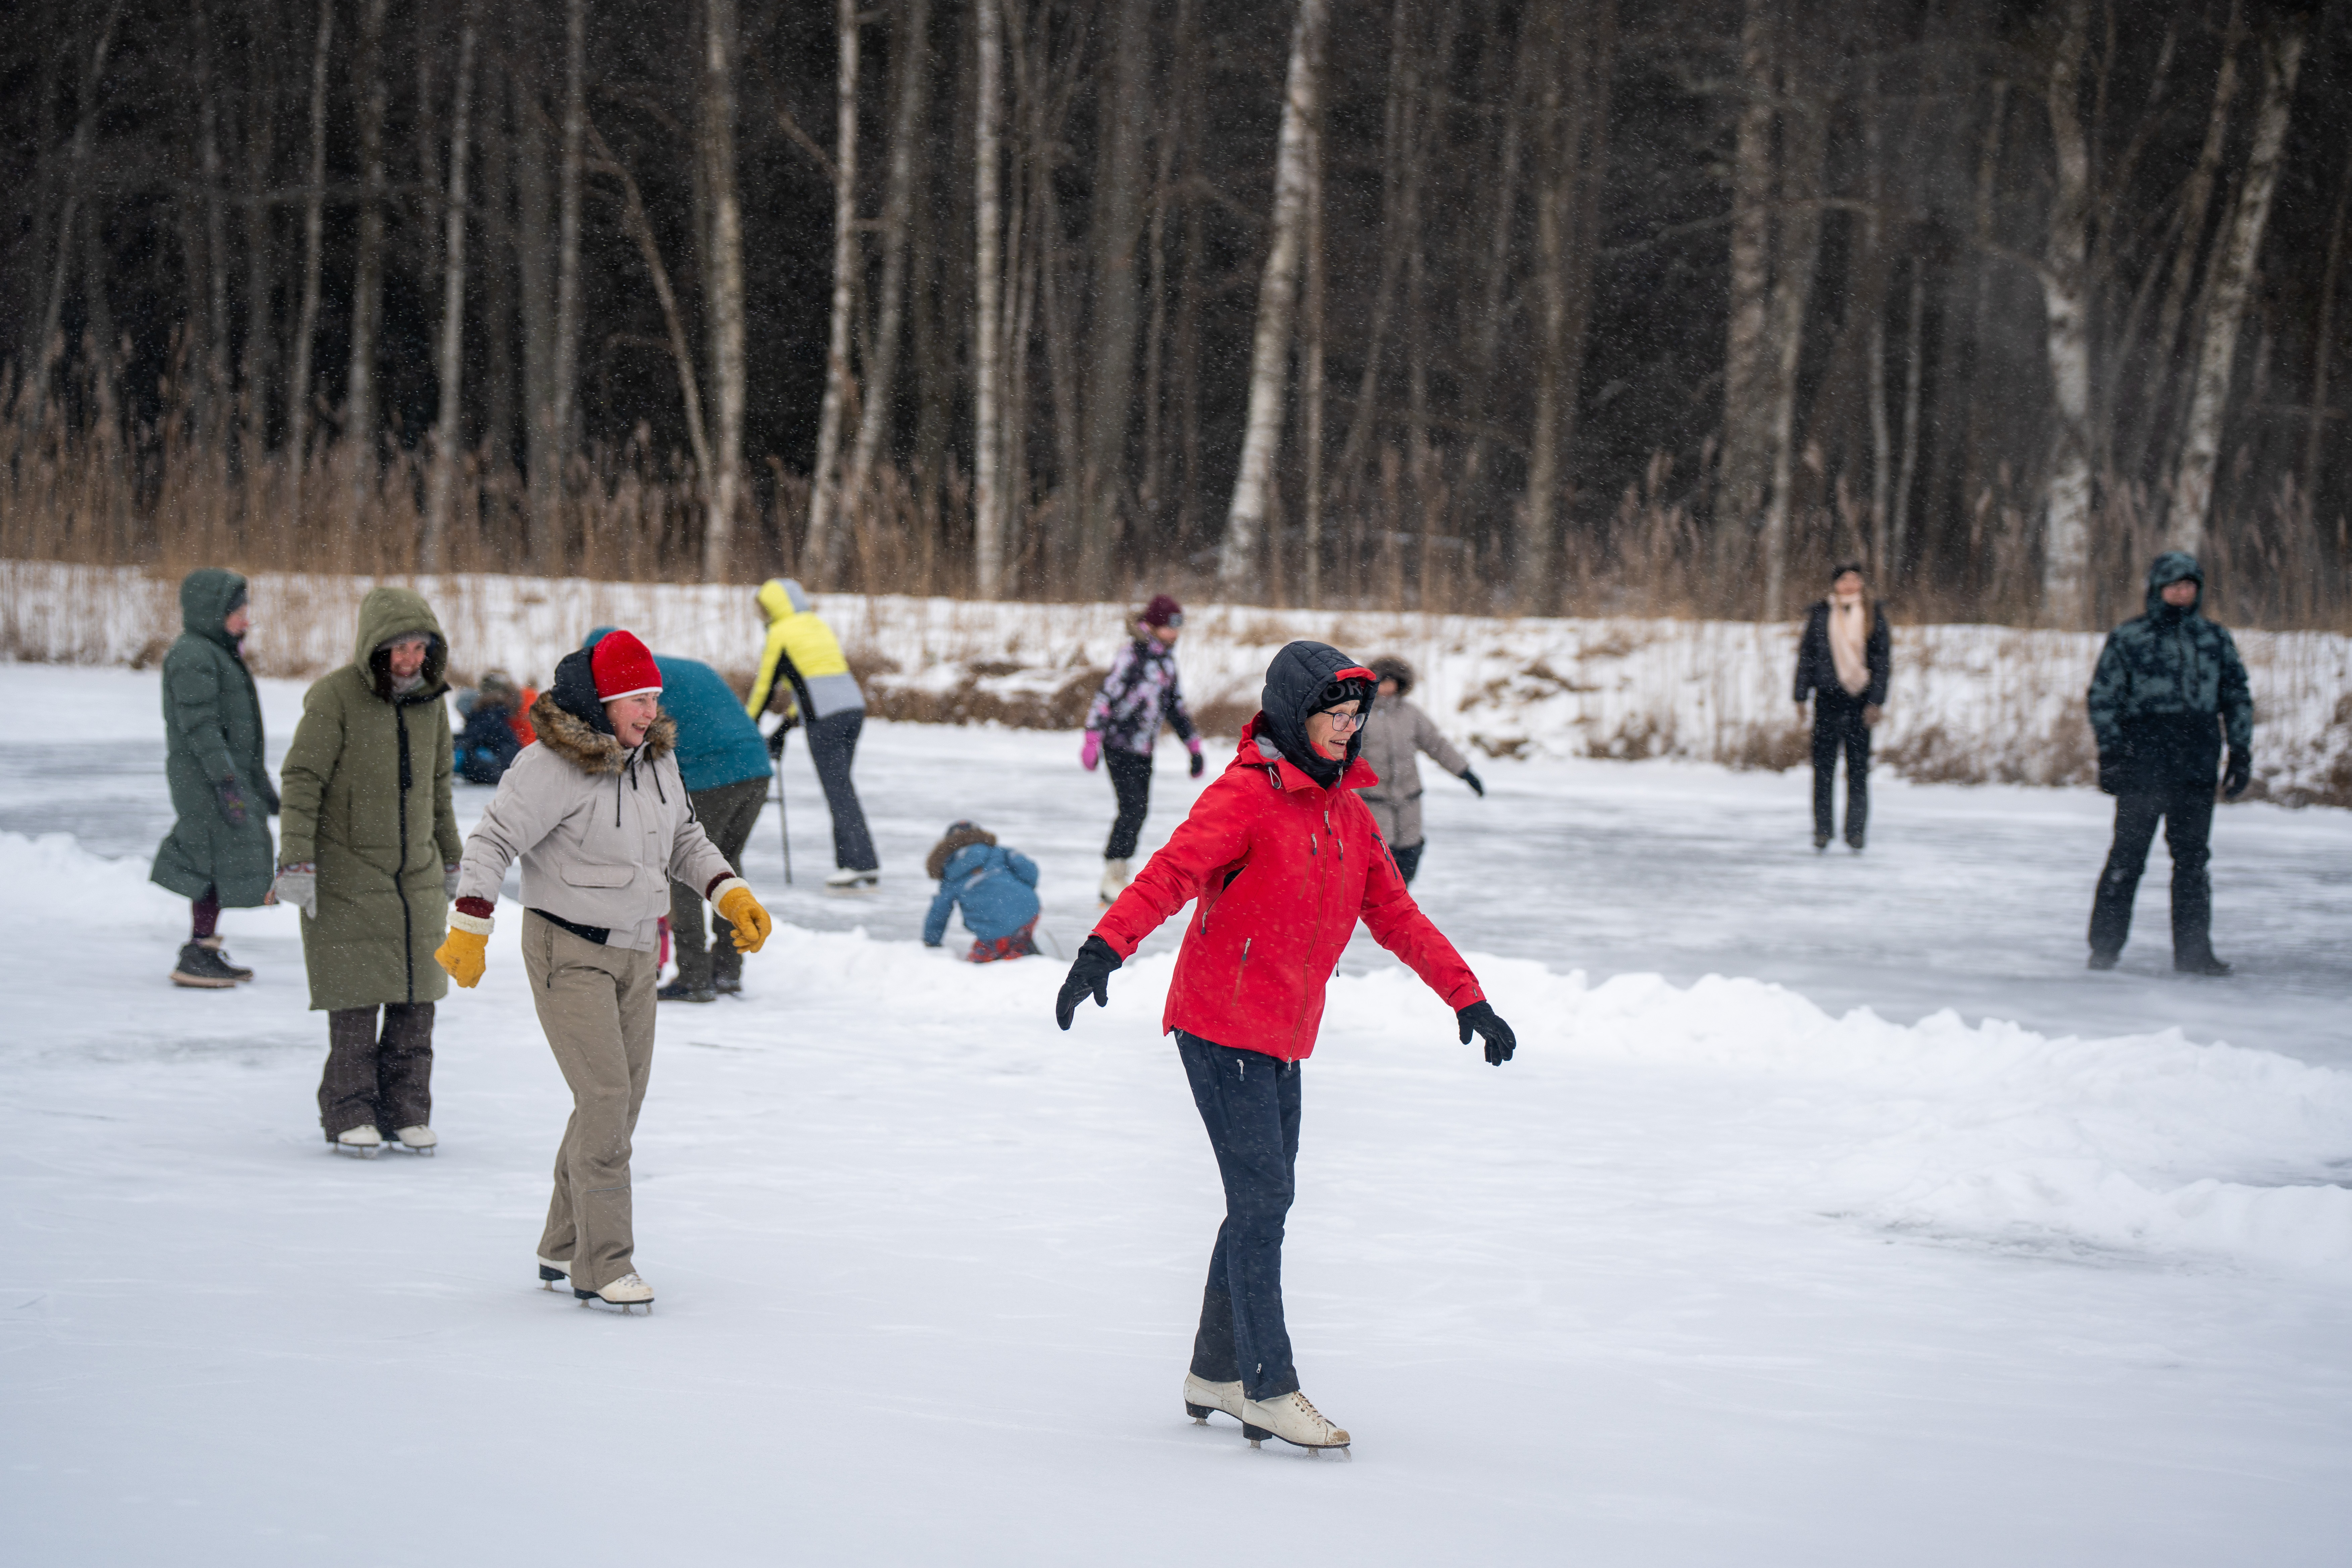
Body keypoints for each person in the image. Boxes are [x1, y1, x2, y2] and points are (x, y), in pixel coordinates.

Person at [1055, 641, 1519, 1453]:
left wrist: (1467, 996)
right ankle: (1267, 1385)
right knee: (1264, 1200)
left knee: (1261, 1200)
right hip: (1217, 1024)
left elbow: (1397, 915)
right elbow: (1168, 875)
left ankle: (1214, 1369)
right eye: (1333, 714)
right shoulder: (1245, 795)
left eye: (1355, 715)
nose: (1347, 728)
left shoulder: (1347, 812)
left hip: (1282, 1033)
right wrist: (1103, 949)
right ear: (1295, 713)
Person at [437, 630, 773, 1312]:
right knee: (605, 1098)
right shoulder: (550, 765)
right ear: (602, 702)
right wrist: (471, 922)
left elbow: (685, 837)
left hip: (636, 951)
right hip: (568, 948)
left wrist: (729, 891)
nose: (650, 711)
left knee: (620, 1102)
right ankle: (604, 1262)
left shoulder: (657, 761)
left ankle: (563, 1241)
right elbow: (493, 839)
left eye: (654, 698)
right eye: (636, 699)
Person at [274, 589, 464, 1158]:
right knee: (356, 1001)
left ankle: (407, 1111)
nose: (410, 660)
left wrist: (452, 857)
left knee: (417, 1003)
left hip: (416, 877)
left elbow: (439, 791)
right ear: (375, 648)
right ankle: (350, 1111)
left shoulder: (432, 704)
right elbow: (302, 780)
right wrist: (296, 859)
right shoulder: (334, 697)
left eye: (419, 649)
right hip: (348, 873)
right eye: (400, 648)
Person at [2085, 551, 2252, 976]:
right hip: (2144, 762)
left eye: (2189, 586)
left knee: (2193, 861)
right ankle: (2104, 949)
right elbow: (2103, 697)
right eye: (2174, 586)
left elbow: (2236, 696)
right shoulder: (2130, 637)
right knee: (2128, 857)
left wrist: (2241, 751)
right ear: (2158, 590)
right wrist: (2111, 752)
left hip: (2196, 762)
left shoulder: (2214, 639)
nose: (2182, 593)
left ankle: (2195, 954)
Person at [584, 628, 770, 1003]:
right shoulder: (682, 668)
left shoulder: (634, 683)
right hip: (756, 767)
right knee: (726, 864)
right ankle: (728, 970)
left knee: (682, 867)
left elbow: (632, 742)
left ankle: (694, 975)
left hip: (711, 773)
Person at [151, 568, 278, 988]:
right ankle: (196, 953)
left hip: (221, 775)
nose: (246, 620)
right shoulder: (194, 654)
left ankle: (203, 947)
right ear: (212, 612)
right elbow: (200, 724)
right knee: (210, 858)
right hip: (205, 780)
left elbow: (238, 731)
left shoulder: (215, 652)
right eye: (238, 613)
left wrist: (256, 781)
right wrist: (225, 780)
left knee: (221, 857)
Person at [746, 578, 878, 893]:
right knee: (842, 787)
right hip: (852, 710)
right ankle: (855, 863)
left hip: (827, 719)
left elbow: (765, 687)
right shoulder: (816, 625)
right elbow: (814, 684)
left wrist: (747, 724)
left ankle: (859, 864)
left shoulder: (780, 633)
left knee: (838, 789)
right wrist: (784, 727)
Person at [1080, 594, 1203, 905]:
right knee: (1132, 808)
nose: (1175, 633)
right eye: (1171, 626)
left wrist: (1193, 746)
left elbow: (1175, 707)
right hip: (1118, 745)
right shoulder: (1132, 656)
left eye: (1178, 627)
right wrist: (1093, 737)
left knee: (1140, 810)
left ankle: (1119, 872)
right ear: (1155, 625)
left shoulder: (1166, 663)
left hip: (1145, 750)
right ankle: (1112, 876)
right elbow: (1106, 696)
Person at [1356, 655, 1484, 885]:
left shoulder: (1410, 714)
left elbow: (1436, 743)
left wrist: (1464, 772)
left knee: (1409, 854)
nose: (1388, 688)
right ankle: (1377, 902)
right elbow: (1344, 753)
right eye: (1383, 682)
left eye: (1393, 682)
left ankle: (1402, 900)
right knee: (1379, 857)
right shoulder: (1360, 714)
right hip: (1374, 800)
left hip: (1409, 800)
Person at [1793, 562, 1891, 851]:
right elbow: (1807, 656)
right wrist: (1800, 696)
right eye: (1844, 580)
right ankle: (1823, 831)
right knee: (1823, 769)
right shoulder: (1821, 614)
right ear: (1835, 584)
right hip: (1827, 698)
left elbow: (1883, 661)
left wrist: (1877, 701)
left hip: (1860, 699)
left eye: (1855, 579)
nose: (1850, 585)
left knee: (1858, 770)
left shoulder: (1874, 614)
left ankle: (1856, 833)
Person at [922, 821, 1041, 962]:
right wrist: (1019, 893)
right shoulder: (999, 852)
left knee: (977, 966)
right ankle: (1022, 947)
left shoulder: (950, 872)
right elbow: (1029, 871)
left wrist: (931, 942)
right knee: (1015, 932)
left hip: (992, 927)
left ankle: (1015, 956)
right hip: (1027, 910)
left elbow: (939, 912)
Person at [453, 671, 529, 785]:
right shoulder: (495, 712)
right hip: (508, 761)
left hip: (500, 763)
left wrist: (455, 742)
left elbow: (475, 737)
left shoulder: (485, 715)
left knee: (462, 754)